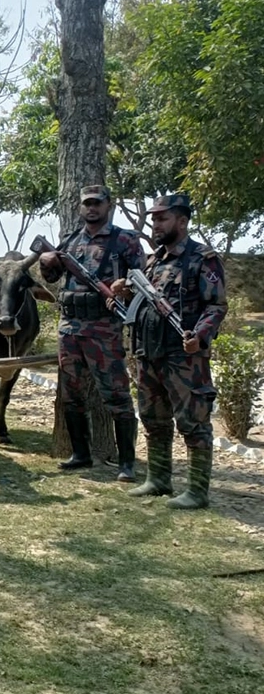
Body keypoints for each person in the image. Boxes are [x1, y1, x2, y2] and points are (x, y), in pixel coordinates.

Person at [114, 194, 227, 509]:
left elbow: (216, 305)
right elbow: (142, 298)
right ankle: (159, 479)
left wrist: (200, 336)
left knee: (193, 421)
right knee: (153, 418)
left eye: (162, 218)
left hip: (184, 357)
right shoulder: (153, 261)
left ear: (182, 220)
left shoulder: (201, 258)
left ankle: (197, 492)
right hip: (149, 352)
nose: (155, 224)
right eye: (153, 219)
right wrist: (125, 289)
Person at [37, 184, 145, 480]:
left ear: (109, 205)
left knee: (117, 394)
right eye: (87, 203)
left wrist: (123, 287)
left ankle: (126, 463)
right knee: (70, 393)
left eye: (97, 203)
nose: (91, 208)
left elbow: (143, 282)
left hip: (104, 329)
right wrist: (45, 265)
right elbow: (53, 277)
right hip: (70, 328)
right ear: (80, 207)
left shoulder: (125, 241)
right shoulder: (69, 241)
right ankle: (80, 454)